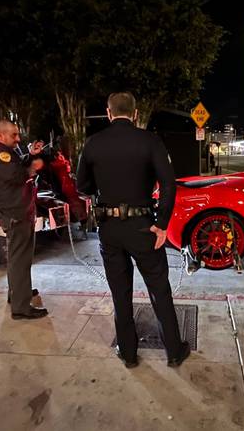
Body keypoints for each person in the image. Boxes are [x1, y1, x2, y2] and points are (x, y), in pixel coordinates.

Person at [76, 92, 190, 368]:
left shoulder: (93, 144)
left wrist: (102, 189)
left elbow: (82, 187)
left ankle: (128, 352)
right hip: (143, 227)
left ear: (108, 113)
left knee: (120, 291)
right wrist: (161, 224)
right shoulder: (150, 141)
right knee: (159, 289)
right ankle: (174, 351)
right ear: (136, 114)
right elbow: (169, 184)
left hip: (109, 229)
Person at [0, 120, 48, 320]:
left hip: (19, 211)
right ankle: (21, 307)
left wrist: (30, 155)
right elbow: (14, 174)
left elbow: (16, 164)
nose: (18, 139)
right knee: (20, 259)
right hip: (15, 213)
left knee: (19, 257)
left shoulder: (5, 152)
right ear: (1, 136)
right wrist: (33, 167)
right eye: (14, 135)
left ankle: (18, 294)